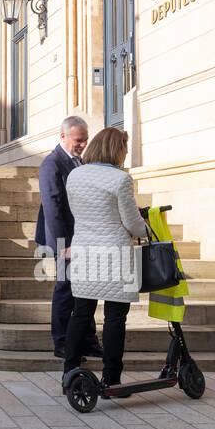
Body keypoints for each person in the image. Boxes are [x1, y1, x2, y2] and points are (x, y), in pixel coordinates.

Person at [61, 127, 147, 389]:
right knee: (114, 319)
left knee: (81, 313)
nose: (126, 153)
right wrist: (146, 227)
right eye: (124, 148)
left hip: (85, 251)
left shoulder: (75, 175)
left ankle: (70, 371)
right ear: (116, 149)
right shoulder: (120, 179)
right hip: (114, 255)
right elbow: (132, 223)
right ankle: (111, 378)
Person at [34, 116, 101, 360]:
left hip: (81, 237)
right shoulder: (51, 164)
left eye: (85, 139)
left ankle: (88, 341)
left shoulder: (80, 162)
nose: (83, 144)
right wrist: (64, 245)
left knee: (86, 289)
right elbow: (52, 208)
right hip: (64, 239)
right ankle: (61, 343)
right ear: (63, 137)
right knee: (66, 289)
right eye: (78, 140)